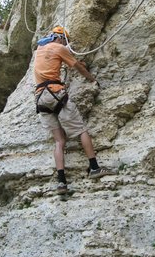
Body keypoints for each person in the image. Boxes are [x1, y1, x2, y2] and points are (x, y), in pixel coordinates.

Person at [33, 26, 114, 195]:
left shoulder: (39, 49)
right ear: (61, 38)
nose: (66, 44)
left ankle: (61, 183)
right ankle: (94, 168)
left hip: (40, 97)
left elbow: (52, 61)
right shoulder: (60, 47)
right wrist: (92, 79)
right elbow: (78, 67)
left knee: (59, 141)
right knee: (81, 130)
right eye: (66, 41)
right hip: (55, 93)